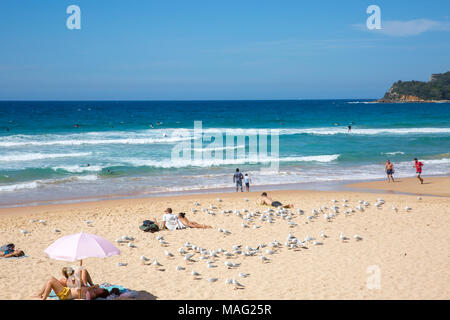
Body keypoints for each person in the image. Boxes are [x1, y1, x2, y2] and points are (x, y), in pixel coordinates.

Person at [36, 276, 112, 300]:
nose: (100, 288)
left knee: (51, 281)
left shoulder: (92, 295)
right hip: (67, 291)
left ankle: (43, 298)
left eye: (102, 289)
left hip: (65, 294)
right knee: (51, 279)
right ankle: (40, 294)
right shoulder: (92, 291)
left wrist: (93, 286)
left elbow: (83, 291)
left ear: (101, 293)